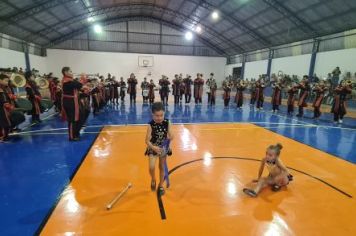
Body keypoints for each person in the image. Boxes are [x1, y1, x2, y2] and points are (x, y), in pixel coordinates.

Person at [145, 102, 174, 196]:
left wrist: (170, 139)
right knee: (151, 167)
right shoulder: (150, 125)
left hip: (163, 148)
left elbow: (171, 135)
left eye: (161, 115)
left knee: (162, 167)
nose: (159, 118)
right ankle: (153, 179)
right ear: (152, 114)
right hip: (153, 147)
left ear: (164, 113)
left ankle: (161, 185)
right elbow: (147, 141)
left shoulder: (167, 122)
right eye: (157, 116)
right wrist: (153, 147)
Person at [61, 67, 83, 141]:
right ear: (66, 72)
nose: (72, 72)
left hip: (72, 101)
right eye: (70, 71)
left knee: (75, 119)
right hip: (70, 102)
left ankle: (75, 133)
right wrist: (83, 78)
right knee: (72, 120)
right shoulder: (67, 81)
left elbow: (78, 87)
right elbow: (79, 85)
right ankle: (71, 136)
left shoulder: (69, 80)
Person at [0, 74, 12, 142]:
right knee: (5, 123)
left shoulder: (4, 88)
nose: (7, 82)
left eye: (8, 81)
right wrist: (7, 105)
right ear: (0, 80)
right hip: (1, 109)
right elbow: (3, 99)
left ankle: (5, 136)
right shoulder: (1, 89)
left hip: (3, 108)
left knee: (6, 123)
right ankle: (3, 137)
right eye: (5, 81)